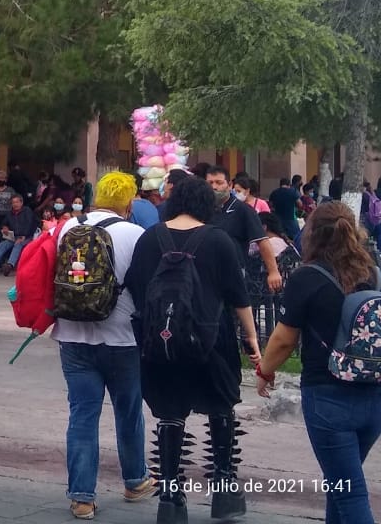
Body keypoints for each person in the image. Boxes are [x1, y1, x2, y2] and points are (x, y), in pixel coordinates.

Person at [124, 176, 262, 523]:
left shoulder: (150, 239)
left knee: (170, 413)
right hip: (213, 340)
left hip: (161, 342)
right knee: (220, 407)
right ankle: (224, 487)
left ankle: (171, 496)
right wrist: (252, 340)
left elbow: (136, 289)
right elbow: (239, 296)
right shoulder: (218, 240)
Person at [257, 201, 381, 524]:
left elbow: (283, 340)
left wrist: (264, 371)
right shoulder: (372, 273)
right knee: (340, 483)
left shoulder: (306, 277)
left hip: (327, 397)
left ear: (312, 233)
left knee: (349, 493)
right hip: (372, 395)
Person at [54, 172, 155, 520]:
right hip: (122, 337)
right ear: (129, 202)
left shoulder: (68, 228)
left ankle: (82, 497)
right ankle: (135, 481)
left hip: (72, 334)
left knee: (82, 414)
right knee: (128, 411)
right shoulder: (135, 234)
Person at [207, 166, 283, 293]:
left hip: (233, 272)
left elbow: (262, 241)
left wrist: (273, 272)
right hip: (207, 273)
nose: (214, 187)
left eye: (219, 183)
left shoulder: (243, 210)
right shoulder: (203, 209)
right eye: (210, 183)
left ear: (229, 185)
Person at [0, 194, 36, 275]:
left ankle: (9, 265)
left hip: (27, 236)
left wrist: (24, 236)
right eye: (13, 202)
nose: (15, 204)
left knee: (18, 244)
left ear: (21, 203)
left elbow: (30, 224)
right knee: (3, 244)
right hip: (14, 237)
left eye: (17, 202)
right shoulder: (10, 213)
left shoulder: (27, 211)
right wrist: (4, 227)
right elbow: (3, 223)